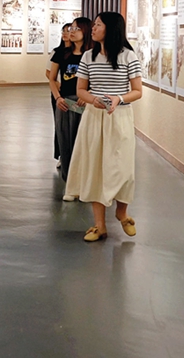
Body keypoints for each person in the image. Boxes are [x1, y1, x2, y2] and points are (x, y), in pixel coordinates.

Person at [66, 12, 143, 242]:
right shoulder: (88, 56)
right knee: (95, 168)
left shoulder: (128, 56)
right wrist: (93, 100)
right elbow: (81, 90)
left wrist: (119, 98)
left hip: (119, 117)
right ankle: (99, 226)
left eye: (98, 25)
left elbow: (137, 91)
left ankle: (122, 212)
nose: (93, 29)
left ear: (111, 28)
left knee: (123, 168)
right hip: (94, 117)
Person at [48, 16, 92, 193]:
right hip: (64, 102)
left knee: (82, 142)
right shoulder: (61, 53)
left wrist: (87, 95)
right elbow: (52, 78)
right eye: (70, 29)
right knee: (64, 141)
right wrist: (58, 98)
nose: (71, 32)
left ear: (85, 31)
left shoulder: (92, 55)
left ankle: (83, 183)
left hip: (85, 103)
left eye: (76, 29)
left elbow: (97, 80)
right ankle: (69, 183)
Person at [46, 23, 72, 166]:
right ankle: (62, 155)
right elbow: (49, 73)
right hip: (59, 94)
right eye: (64, 31)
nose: (66, 34)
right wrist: (57, 87)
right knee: (60, 125)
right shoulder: (57, 52)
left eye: (69, 31)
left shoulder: (83, 53)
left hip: (75, 95)